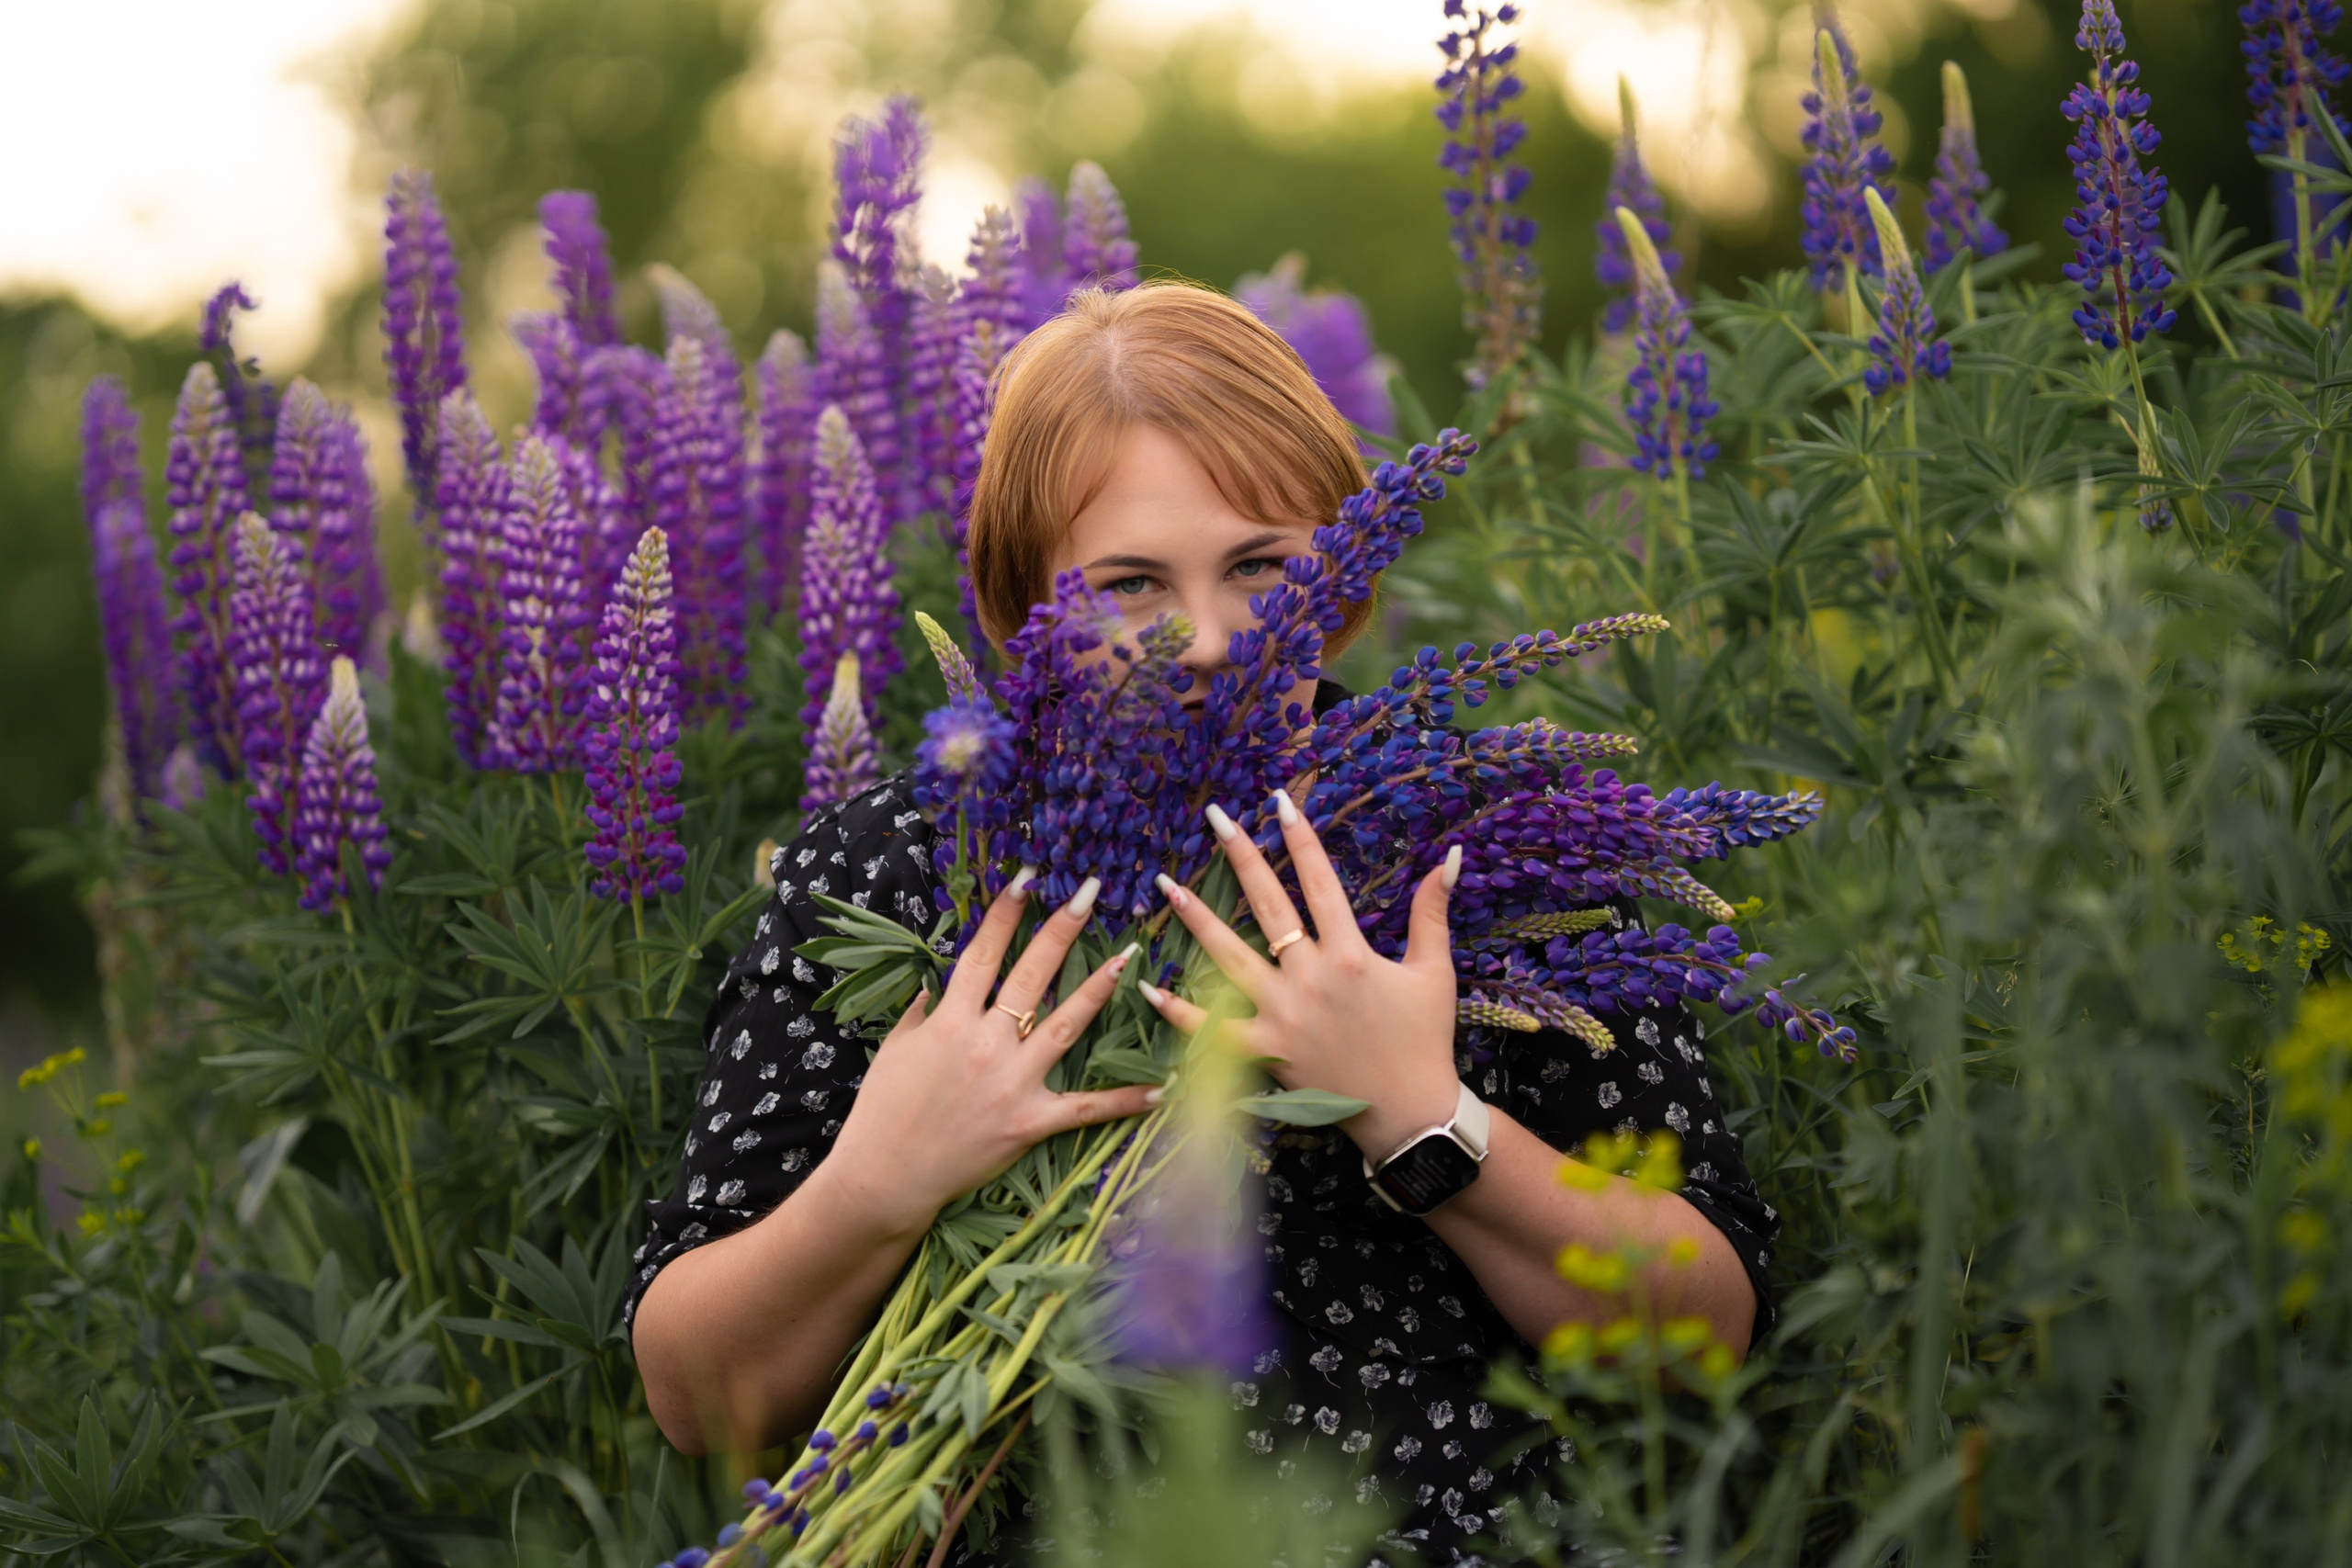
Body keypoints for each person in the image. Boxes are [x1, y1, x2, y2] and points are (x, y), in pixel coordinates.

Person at [626, 282, 1779, 1564]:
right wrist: (877, 1186)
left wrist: (1427, 1119)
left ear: (1341, 567)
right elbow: (693, 1393)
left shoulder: (1487, 853)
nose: (1215, 637)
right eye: (1129, 584)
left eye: (1262, 565)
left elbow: (1702, 1333)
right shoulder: (901, 871)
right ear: (1030, 607)